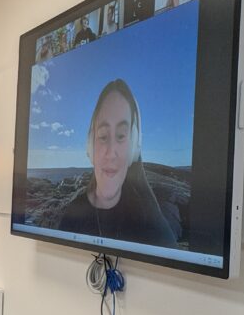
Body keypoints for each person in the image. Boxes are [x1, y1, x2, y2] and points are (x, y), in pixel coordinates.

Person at [57, 80, 177, 247]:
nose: (111, 152)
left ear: (134, 147)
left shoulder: (153, 228)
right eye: (103, 136)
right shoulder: (72, 216)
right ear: (90, 145)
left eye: (121, 136)